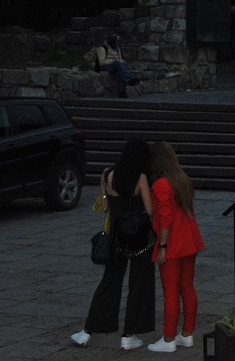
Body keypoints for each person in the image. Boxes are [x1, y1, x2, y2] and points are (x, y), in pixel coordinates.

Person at [72, 139, 155, 350]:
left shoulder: (107, 174)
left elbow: (105, 207)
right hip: (138, 237)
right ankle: (129, 334)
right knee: (139, 283)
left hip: (115, 236)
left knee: (109, 281)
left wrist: (107, 195)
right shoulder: (141, 178)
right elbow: (150, 210)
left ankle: (87, 331)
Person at [147, 141, 205, 353]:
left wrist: (162, 246)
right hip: (189, 240)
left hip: (173, 242)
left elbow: (165, 218)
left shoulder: (160, 184)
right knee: (187, 287)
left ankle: (169, 338)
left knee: (170, 291)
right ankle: (187, 334)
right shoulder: (183, 180)